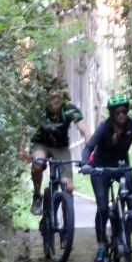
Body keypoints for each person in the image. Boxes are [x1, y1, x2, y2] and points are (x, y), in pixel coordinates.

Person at [80, 93, 132, 262]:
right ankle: (102, 247)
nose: (122, 115)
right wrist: (85, 164)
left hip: (121, 165)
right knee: (103, 207)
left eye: (124, 111)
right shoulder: (105, 126)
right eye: (118, 112)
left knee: (130, 194)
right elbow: (89, 147)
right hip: (101, 167)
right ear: (112, 114)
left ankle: (128, 222)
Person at [23, 85, 92, 215]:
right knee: (38, 162)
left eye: (57, 98)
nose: (54, 101)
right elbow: (25, 130)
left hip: (61, 147)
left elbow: (85, 129)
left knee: (68, 187)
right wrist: (22, 150)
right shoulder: (39, 110)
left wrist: (91, 148)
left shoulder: (69, 109)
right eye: (51, 98)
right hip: (41, 144)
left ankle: (67, 221)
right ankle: (37, 195)